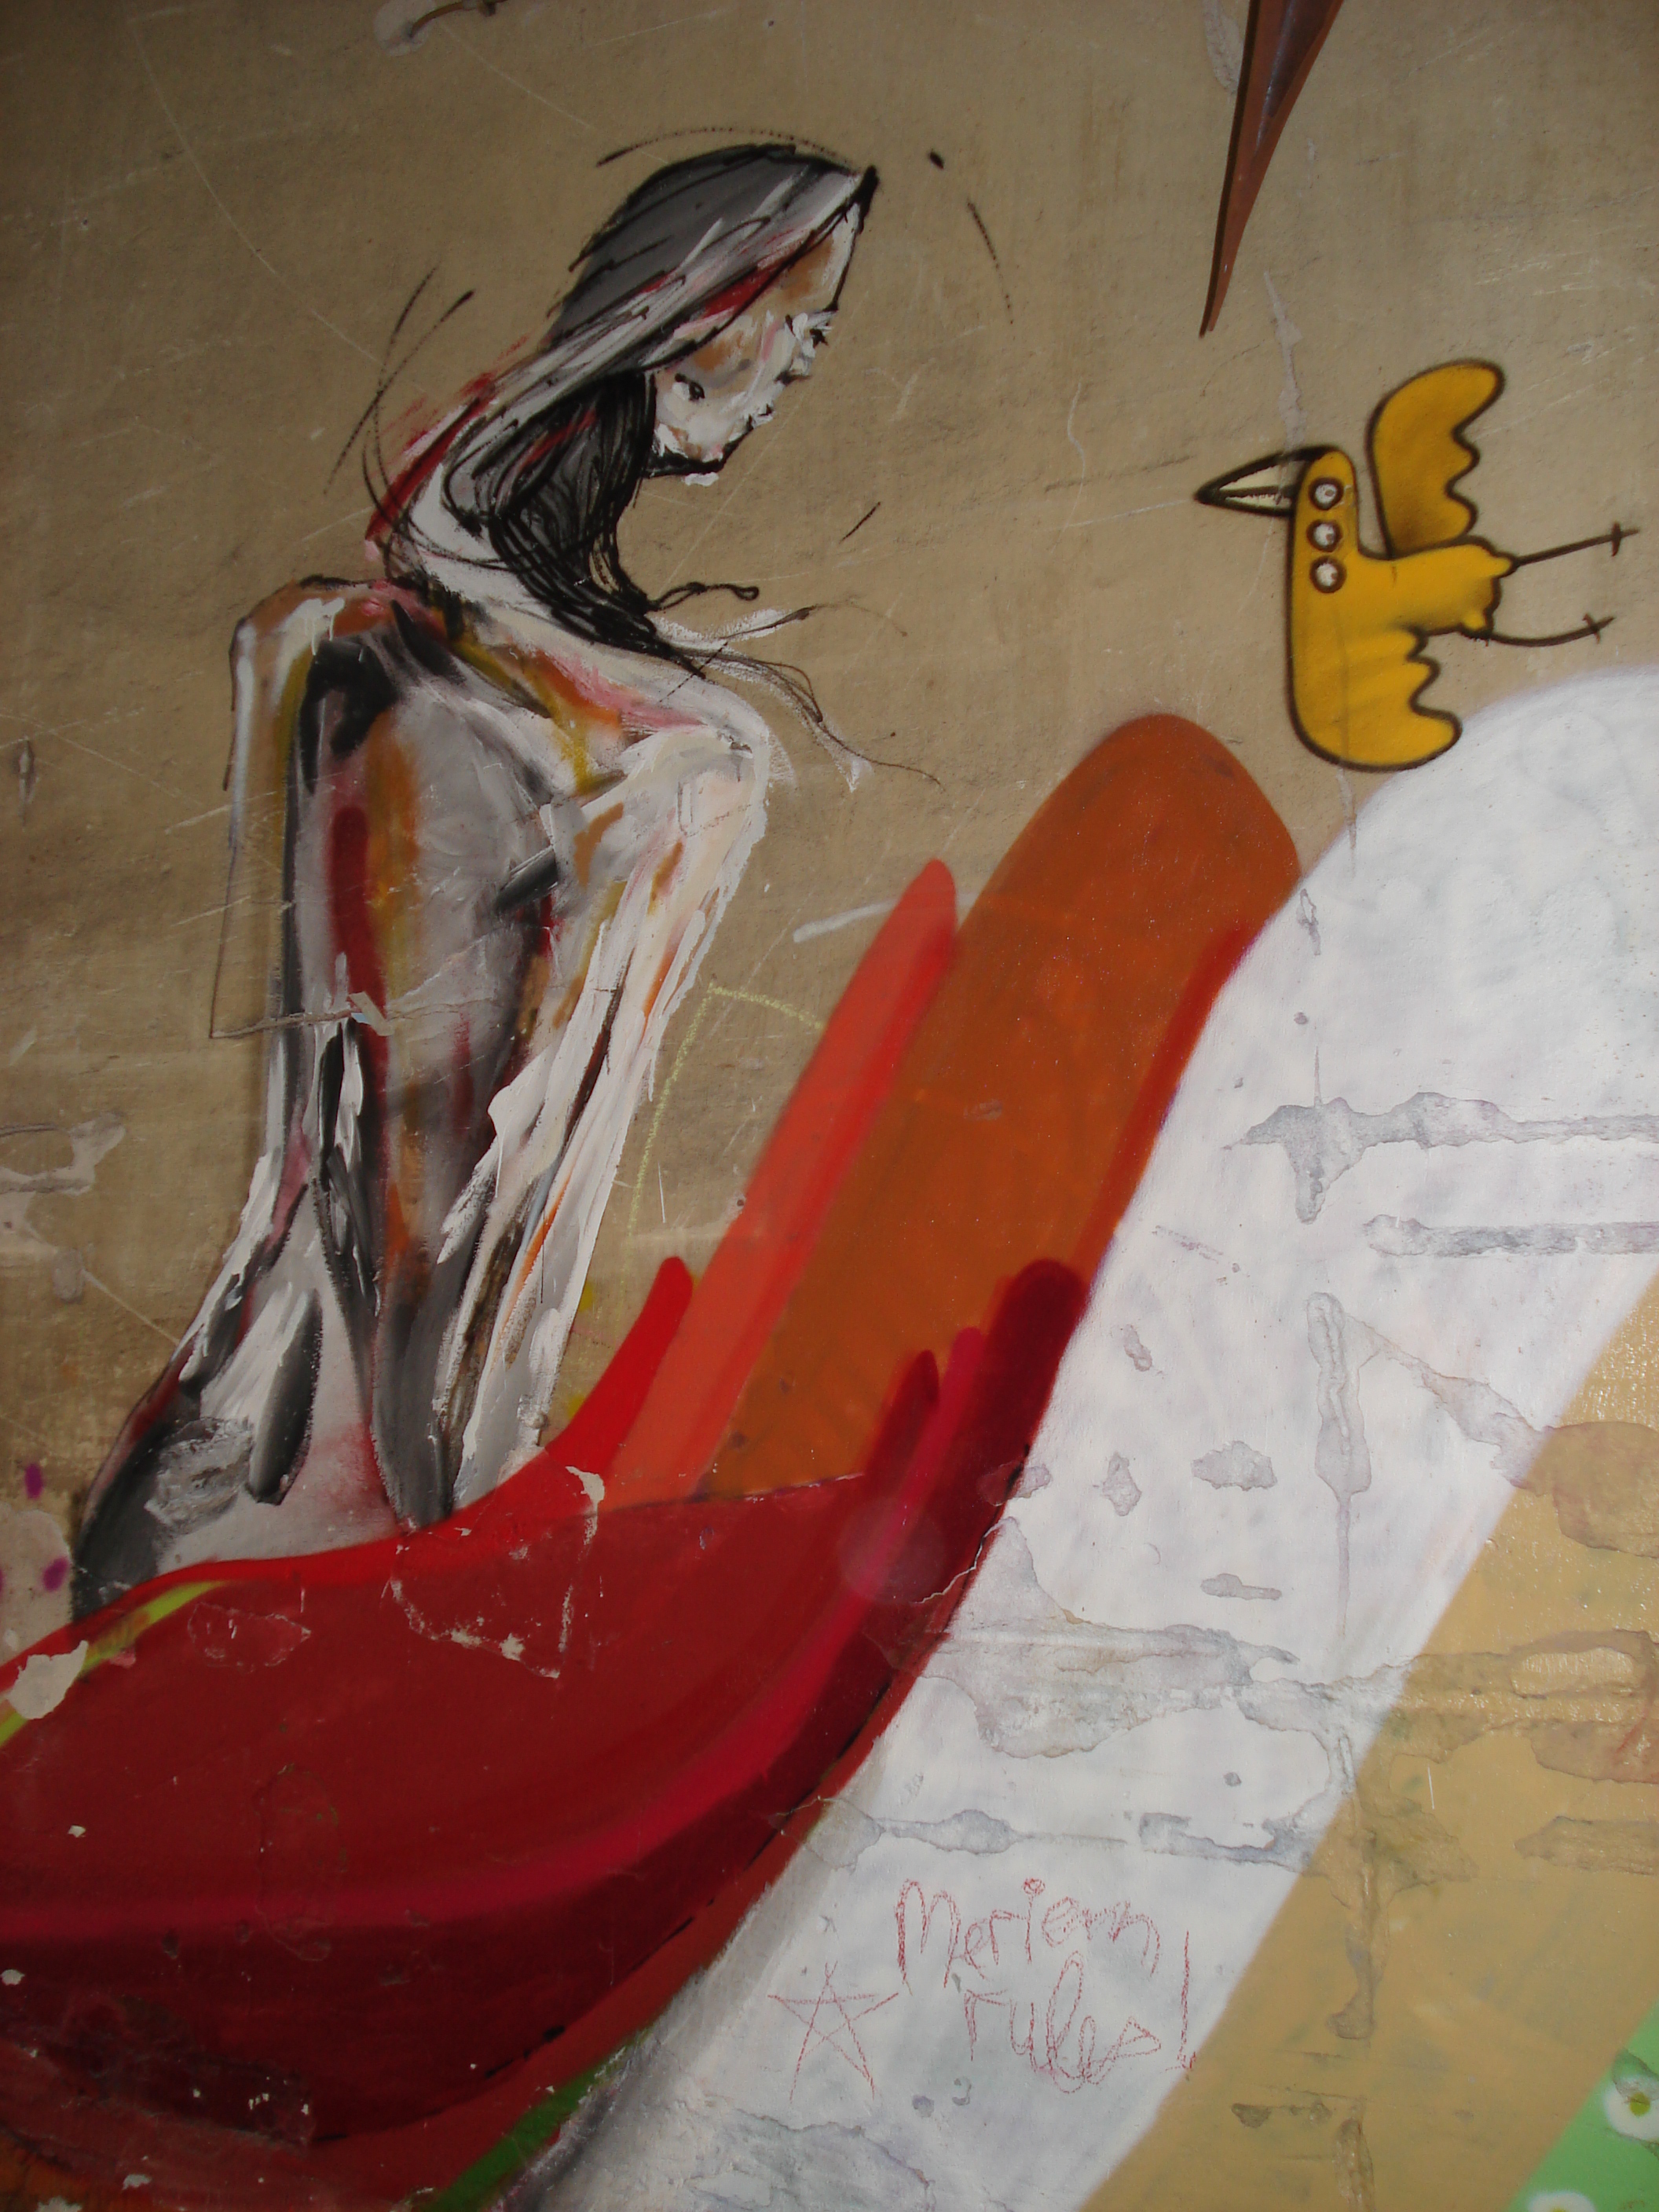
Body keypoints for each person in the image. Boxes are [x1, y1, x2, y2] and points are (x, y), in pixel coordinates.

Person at [73, 145, 877, 1615]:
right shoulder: (434, 678)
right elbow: (414, 1167)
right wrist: (464, 1542)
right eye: (797, 318)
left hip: (389, 1489)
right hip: (305, 1523)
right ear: (695, 311)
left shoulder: (542, 663)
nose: (805, 361)